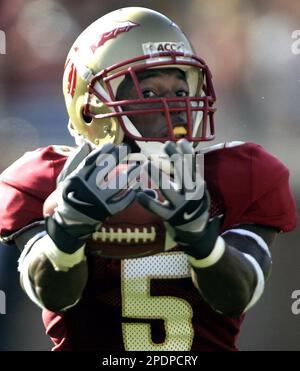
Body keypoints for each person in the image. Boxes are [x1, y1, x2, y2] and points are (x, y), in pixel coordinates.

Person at [0, 7, 297, 351]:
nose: (172, 109)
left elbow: (237, 295)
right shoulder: (46, 180)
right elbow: (51, 293)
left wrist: (202, 241)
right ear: (89, 107)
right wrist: (66, 235)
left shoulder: (239, 174)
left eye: (180, 93)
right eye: (151, 94)